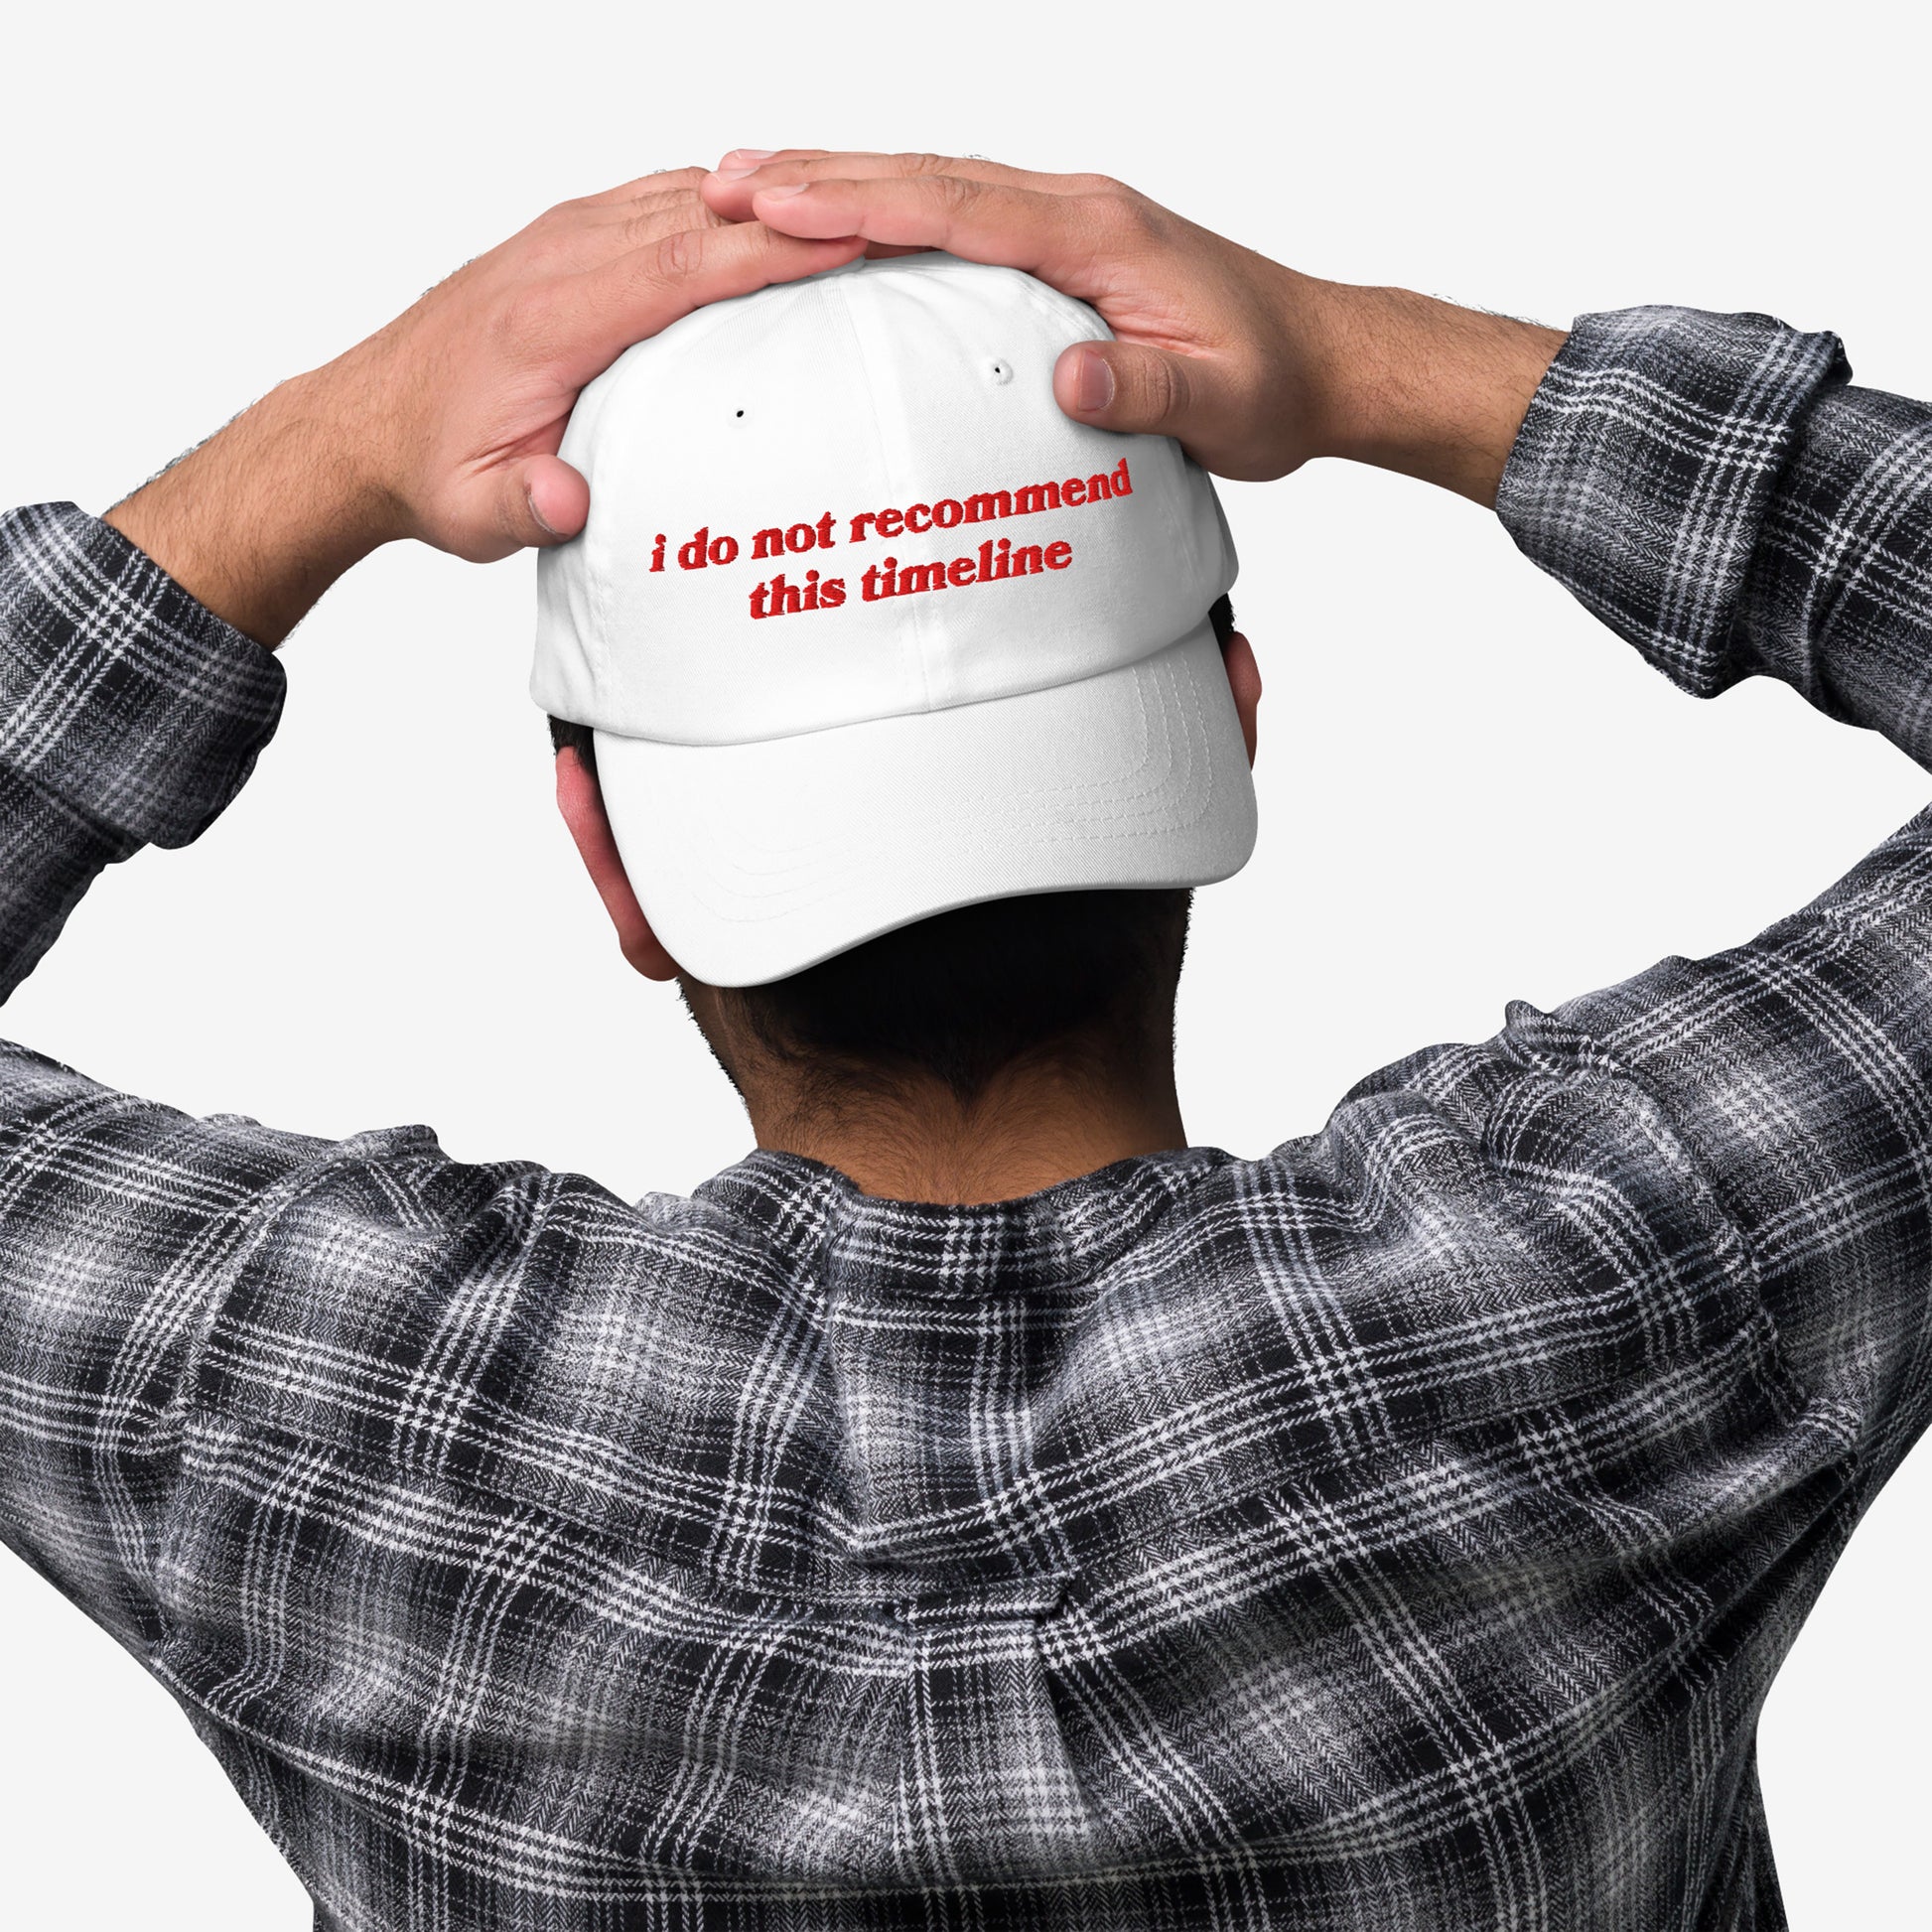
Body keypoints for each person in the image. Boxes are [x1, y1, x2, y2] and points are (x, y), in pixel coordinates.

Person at [1, 147, 1927, 1930]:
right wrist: (1367, 366)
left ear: (609, 858)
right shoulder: (1609, 1290)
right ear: (1232, 719)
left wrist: (319, 454)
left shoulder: (304, 1415)